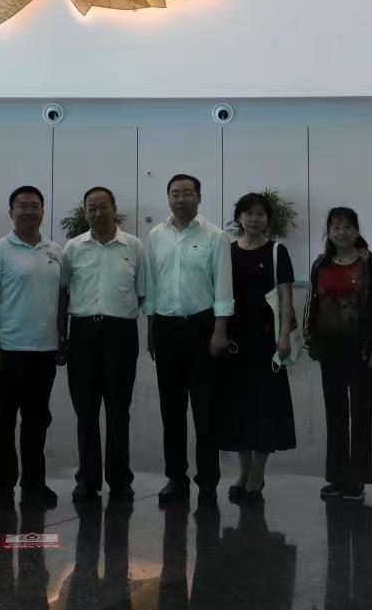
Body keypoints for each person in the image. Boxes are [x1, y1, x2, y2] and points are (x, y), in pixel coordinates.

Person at [143, 173, 233, 507]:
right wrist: (151, 328)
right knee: (172, 409)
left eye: (187, 193)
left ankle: (208, 481)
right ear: (168, 197)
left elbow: (223, 286)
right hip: (166, 328)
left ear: (199, 197)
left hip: (202, 328)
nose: (180, 199)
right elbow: (152, 284)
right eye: (174, 193)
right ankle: (176, 477)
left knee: (206, 410)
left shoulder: (215, 237)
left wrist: (220, 330)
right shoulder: (156, 235)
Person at [0, 185, 65, 508]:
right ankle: (3, 486)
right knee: (3, 421)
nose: (29, 211)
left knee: (37, 422)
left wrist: (61, 336)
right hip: (9, 351)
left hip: (44, 351)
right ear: (11, 212)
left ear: (43, 210)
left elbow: (62, 298)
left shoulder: (55, 251)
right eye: (22, 205)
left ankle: (33, 484)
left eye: (34, 205)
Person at [59, 186, 147, 504]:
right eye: (91, 209)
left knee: (118, 411)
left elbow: (142, 293)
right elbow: (63, 293)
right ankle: (87, 479)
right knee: (86, 412)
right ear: (85, 212)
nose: (97, 213)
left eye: (102, 207)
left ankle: (120, 480)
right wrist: (62, 335)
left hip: (120, 335)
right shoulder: (73, 248)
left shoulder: (134, 246)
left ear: (114, 208)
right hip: (82, 334)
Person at [305, 206, 372, 502]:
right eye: (336, 227)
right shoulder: (321, 263)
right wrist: (310, 340)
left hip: (362, 352)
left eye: (347, 227)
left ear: (356, 230)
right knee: (335, 414)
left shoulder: (370, 263)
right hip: (330, 351)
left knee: (361, 415)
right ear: (329, 232)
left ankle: (358, 478)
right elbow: (312, 304)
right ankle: (338, 476)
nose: (342, 232)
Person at [217, 192, 296, 502]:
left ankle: (258, 474)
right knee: (239, 410)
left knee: (264, 409)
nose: (254, 218)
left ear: (268, 219)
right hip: (235, 343)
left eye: (261, 213)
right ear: (239, 218)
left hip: (266, 342)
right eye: (249, 213)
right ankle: (243, 470)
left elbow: (286, 296)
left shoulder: (277, 251)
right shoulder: (228, 251)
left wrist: (285, 335)